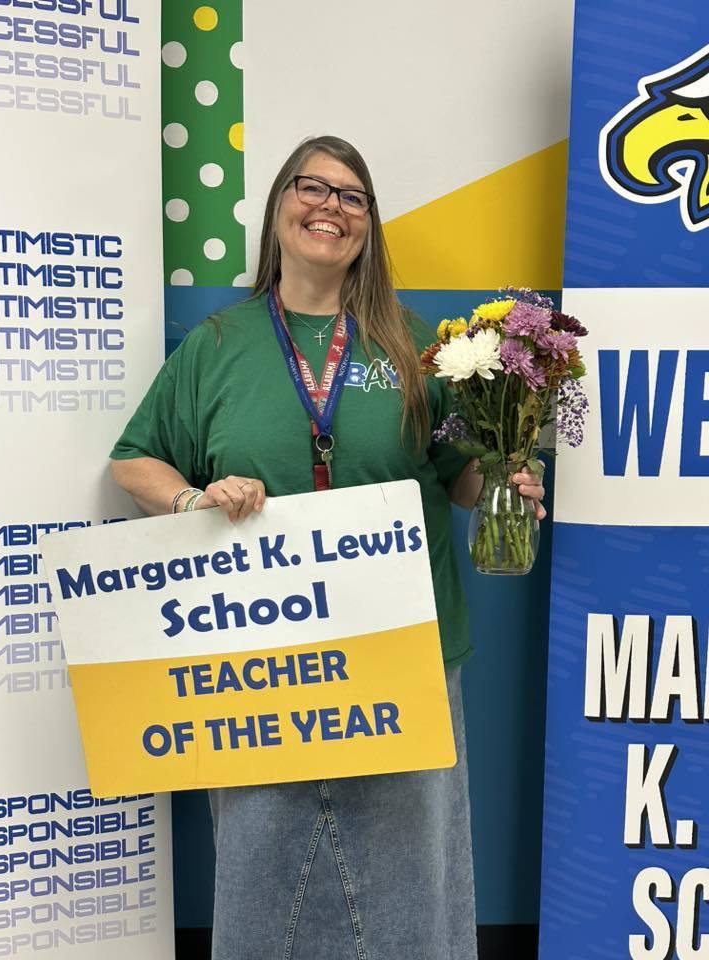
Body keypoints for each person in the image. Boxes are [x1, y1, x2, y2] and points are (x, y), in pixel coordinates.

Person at [110, 135, 546, 960]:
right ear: (279, 205)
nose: (330, 207)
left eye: (352, 197)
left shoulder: (414, 346)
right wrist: (195, 500)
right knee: (263, 878)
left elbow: (457, 477)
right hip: (264, 664)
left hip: (403, 656)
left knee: (410, 886)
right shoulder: (217, 345)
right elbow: (135, 461)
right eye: (312, 187)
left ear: (368, 224)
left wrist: (503, 478)